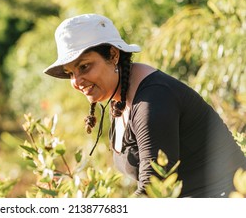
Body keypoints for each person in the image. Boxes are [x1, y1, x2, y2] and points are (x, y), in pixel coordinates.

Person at [43, 13, 246, 198]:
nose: (77, 82)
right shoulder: (121, 96)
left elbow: (154, 189)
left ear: (113, 55)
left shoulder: (154, 99)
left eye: (84, 66)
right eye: (70, 73)